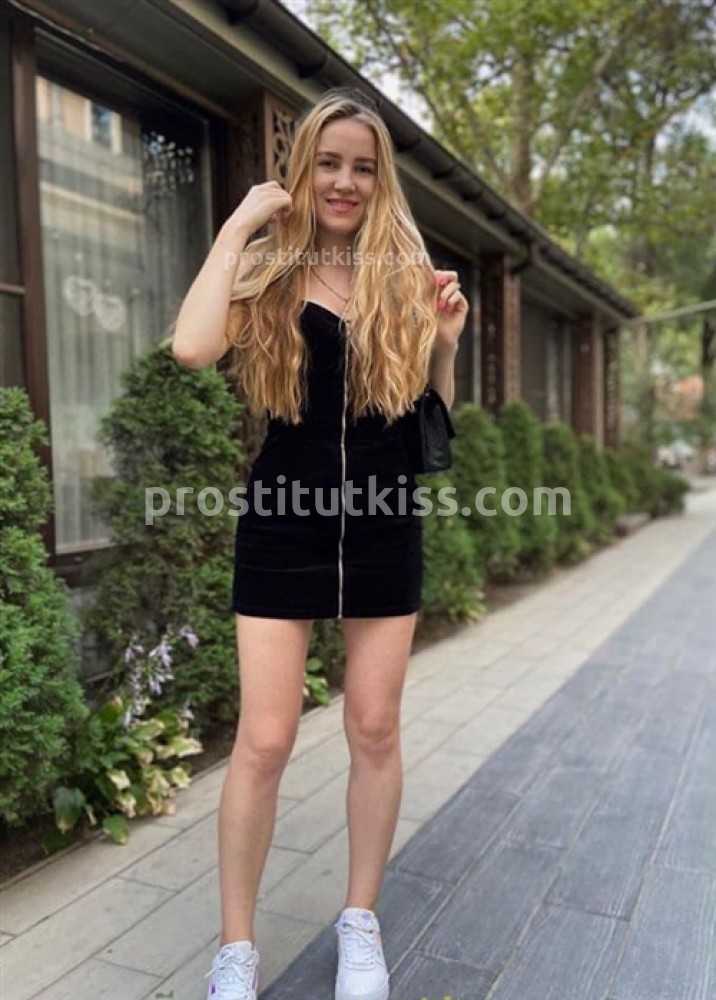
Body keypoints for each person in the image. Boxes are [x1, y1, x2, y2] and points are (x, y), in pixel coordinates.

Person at [172, 86, 467, 1000]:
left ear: (380, 181)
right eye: (329, 163)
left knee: (374, 728)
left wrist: (445, 346)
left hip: (383, 523)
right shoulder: (267, 272)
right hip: (282, 523)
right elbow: (191, 348)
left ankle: (359, 922)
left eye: (363, 167)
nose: (345, 181)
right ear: (302, 170)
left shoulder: (402, 276)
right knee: (264, 741)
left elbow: (429, 432)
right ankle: (236, 949)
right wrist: (237, 227)